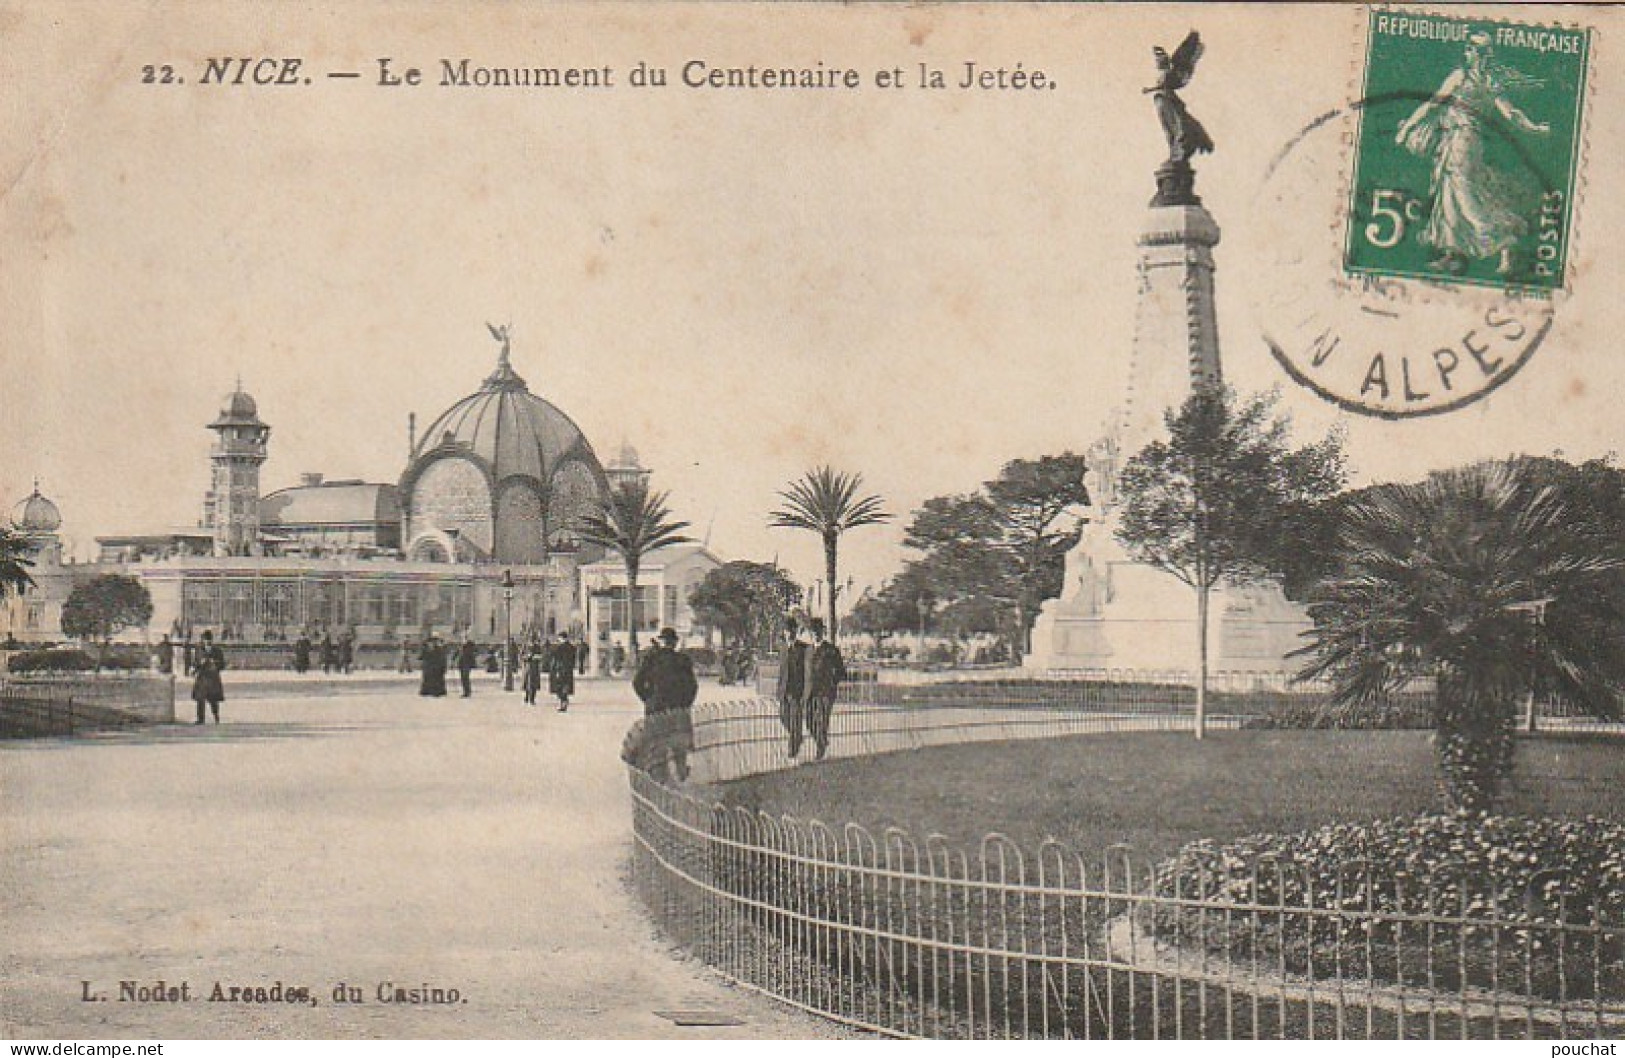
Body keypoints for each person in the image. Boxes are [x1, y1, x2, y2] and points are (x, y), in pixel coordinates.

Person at [1395, 33, 1551, 276]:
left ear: (1480, 54)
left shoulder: (1462, 77)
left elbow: (1433, 104)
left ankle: (1505, 242)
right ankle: (1452, 255)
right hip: (1466, 142)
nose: (1466, 53)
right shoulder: (1491, 82)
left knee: (1463, 197)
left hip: (1460, 141)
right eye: (1467, 48)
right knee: (1452, 195)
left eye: (1471, 49)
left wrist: (1406, 128)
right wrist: (1533, 127)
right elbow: (1512, 114)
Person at [632, 627, 699, 782]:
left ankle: (659, 779)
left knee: (657, 744)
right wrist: (685, 703)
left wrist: (648, 698)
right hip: (678, 708)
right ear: (675, 643)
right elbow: (692, 686)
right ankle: (681, 776)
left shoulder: (651, 659)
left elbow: (637, 682)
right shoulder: (683, 660)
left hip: (656, 708)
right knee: (679, 745)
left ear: (662, 641)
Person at [804, 618, 847, 761]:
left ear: (823, 632)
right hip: (810, 692)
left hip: (825, 692)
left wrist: (831, 683)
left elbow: (841, 671)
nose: (815, 634)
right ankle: (821, 741)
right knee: (809, 721)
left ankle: (820, 750)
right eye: (813, 631)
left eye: (818, 631)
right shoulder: (808, 650)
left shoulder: (831, 650)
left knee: (822, 721)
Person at [776, 618, 809, 758]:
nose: (789, 633)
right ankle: (797, 736)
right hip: (785, 690)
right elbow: (782, 671)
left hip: (797, 690)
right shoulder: (783, 648)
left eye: (792, 630)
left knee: (796, 718)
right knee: (784, 717)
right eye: (787, 630)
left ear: (796, 631)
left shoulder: (804, 648)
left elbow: (807, 672)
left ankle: (793, 748)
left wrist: (805, 692)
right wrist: (779, 690)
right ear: (784, 632)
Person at [191, 630, 227, 725]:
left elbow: (222, 664)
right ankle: (200, 719)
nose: (207, 642)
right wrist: (199, 664)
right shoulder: (199, 650)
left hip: (212, 677)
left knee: (213, 699)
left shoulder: (217, 651)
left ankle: (216, 717)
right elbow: (194, 663)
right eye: (205, 640)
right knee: (200, 699)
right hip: (202, 677)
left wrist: (215, 663)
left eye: (209, 640)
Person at [547, 631, 577, 711]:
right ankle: (564, 700)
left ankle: (563, 701)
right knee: (566, 685)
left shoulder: (559, 647)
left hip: (560, 669)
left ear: (561, 638)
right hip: (569, 669)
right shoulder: (572, 647)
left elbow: (553, 655)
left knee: (559, 686)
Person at [521, 636, 545, 706]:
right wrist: (527, 657)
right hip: (528, 667)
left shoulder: (537, 647)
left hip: (535, 667)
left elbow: (541, 656)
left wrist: (535, 657)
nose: (531, 642)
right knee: (527, 683)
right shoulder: (525, 646)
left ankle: (532, 699)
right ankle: (526, 697)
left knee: (533, 683)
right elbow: (521, 655)